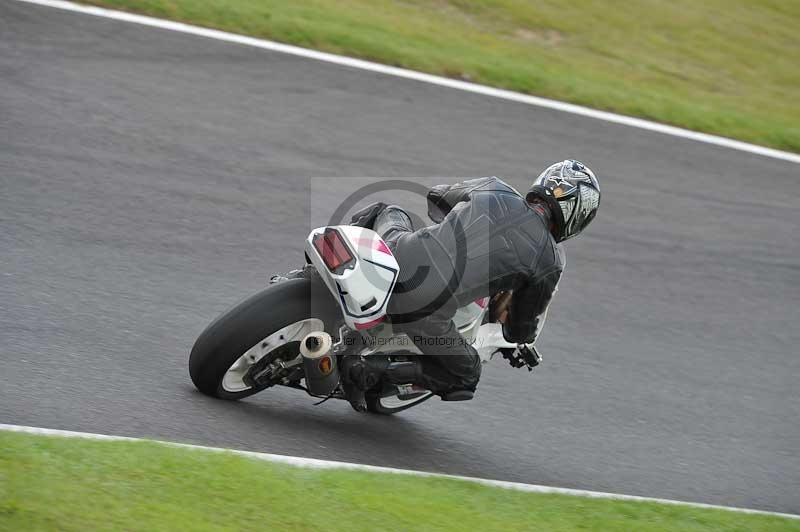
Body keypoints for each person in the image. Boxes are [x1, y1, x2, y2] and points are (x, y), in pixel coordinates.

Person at [341, 160, 601, 411]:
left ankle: (326, 269)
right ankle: (367, 371)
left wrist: (462, 222)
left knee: (388, 211)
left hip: (397, 253)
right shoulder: (549, 261)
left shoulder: (494, 187)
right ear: (578, 216)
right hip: (424, 311)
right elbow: (519, 330)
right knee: (467, 373)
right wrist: (520, 334)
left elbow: (437, 197)